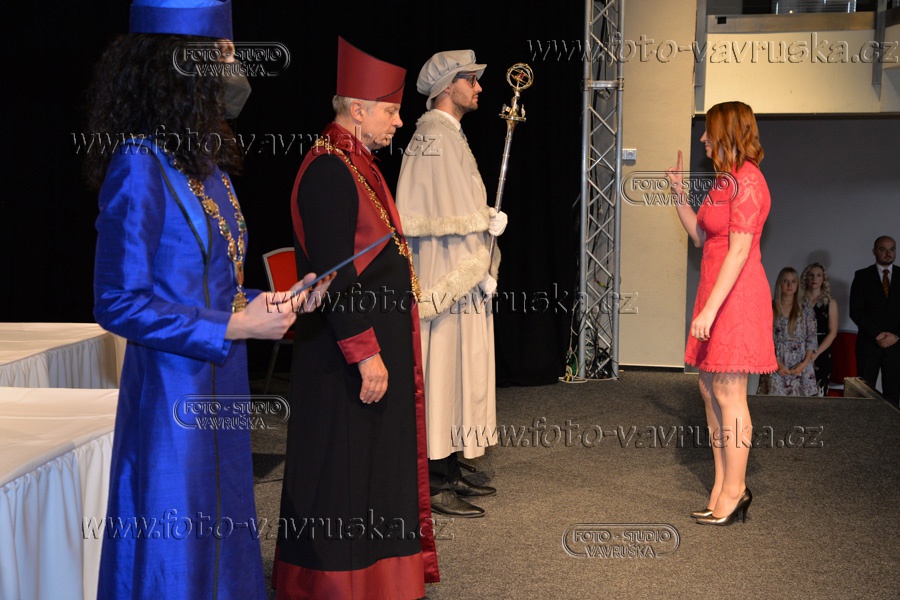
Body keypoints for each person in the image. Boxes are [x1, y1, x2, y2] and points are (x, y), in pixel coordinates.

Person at [87, 1, 330, 597]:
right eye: (222, 54)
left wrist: (271, 303)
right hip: (170, 396)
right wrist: (231, 327)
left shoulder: (207, 164)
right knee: (177, 546)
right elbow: (117, 301)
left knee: (223, 536)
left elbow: (217, 287)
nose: (234, 67)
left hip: (223, 384)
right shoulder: (139, 163)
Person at [273, 37, 439, 598]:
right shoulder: (329, 169)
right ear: (359, 109)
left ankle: (380, 581)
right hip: (342, 353)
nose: (399, 121)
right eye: (391, 111)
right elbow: (333, 273)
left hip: (368, 343)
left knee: (373, 469)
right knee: (341, 474)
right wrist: (366, 353)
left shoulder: (356, 162)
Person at [395, 50, 505, 519]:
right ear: (446, 86)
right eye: (471, 80)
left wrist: (486, 223)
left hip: (463, 272)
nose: (479, 88)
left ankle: (450, 463)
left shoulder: (449, 134)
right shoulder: (433, 137)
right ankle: (434, 478)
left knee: (460, 368)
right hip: (446, 277)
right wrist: (483, 235)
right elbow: (438, 218)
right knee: (442, 369)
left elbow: (458, 206)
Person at [665, 100, 777, 526]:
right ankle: (721, 485)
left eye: (709, 131)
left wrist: (710, 311)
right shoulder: (724, 180)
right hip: (715, 292)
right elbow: (700, 236)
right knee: (710, 389)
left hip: (736, 298)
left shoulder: (748, 181)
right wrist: (679, 195)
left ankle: (736, 489)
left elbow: (741, 250)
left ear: (728, 132)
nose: (702, 139)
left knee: (730, 393)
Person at [849, 235, 900, 404]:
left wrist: (895, 336)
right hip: (868, 345)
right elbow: (856, 312)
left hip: (895, 347)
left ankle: (890, 423)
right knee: (864, 395)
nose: (888, 253)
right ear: (874, 251)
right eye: (883, 249)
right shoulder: (862, 276)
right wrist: (877, 334)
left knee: (893, 397)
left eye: (892, 249)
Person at [757, 267, 818, 396]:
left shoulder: (805, 308)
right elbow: (764, 340)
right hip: (775, 364)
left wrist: (804, 364)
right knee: (774, 404)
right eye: (785, 281)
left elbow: (812, 338)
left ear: (797, 284)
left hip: (801, 364)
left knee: (803, 405)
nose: (790, 285)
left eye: (793, 281)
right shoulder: (770, 308)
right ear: (780, 284)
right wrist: (777, 364)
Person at [801, 262, 838, 395]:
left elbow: (833, 332)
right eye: (811, 275)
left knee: (819, 392)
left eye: (818, 275)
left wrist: (815, 354)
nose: (814, 279)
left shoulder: (830, 302)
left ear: (823, 279)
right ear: (806, 278)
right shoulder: (798, 301)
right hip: (800, 347)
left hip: (822, 350)